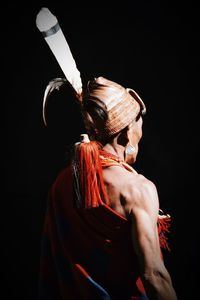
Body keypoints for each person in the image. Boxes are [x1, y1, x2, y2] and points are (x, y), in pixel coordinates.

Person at [38, 76, 177, 300]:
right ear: (126, 133)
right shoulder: (137, 189)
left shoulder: (62, 183)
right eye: (138, 123)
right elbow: (155, 276)